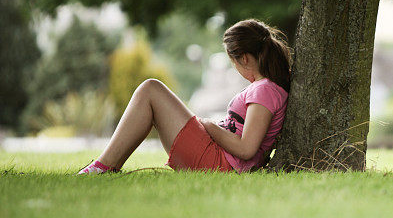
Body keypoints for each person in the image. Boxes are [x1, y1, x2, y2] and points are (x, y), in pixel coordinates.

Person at [78, 19, 291, 174]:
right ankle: (106, 166)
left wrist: (209, 126)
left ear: (244, 59)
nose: (234, 68)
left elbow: (247, 149)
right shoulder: (268, 88)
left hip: (220, 162)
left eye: (233, 62)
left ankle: (102, 166)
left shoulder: (264, 90)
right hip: (220, 157)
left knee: (150, 89)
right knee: (150, 90)